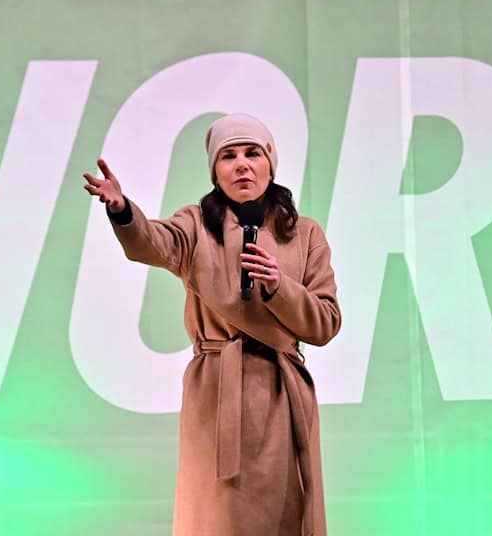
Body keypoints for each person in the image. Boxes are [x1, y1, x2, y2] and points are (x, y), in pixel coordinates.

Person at [83, 113, 341, 536]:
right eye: (229, 155)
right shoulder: (197, 226)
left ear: (270, 164)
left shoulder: (305, 234)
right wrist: (123, 210)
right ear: (215, 171)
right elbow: (152, 241)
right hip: (217, 391)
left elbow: (326, 322)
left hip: (281, 395)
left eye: (252, 153)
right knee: (218, 517)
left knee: (283, 516)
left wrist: (280, 286)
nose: (241, 164)